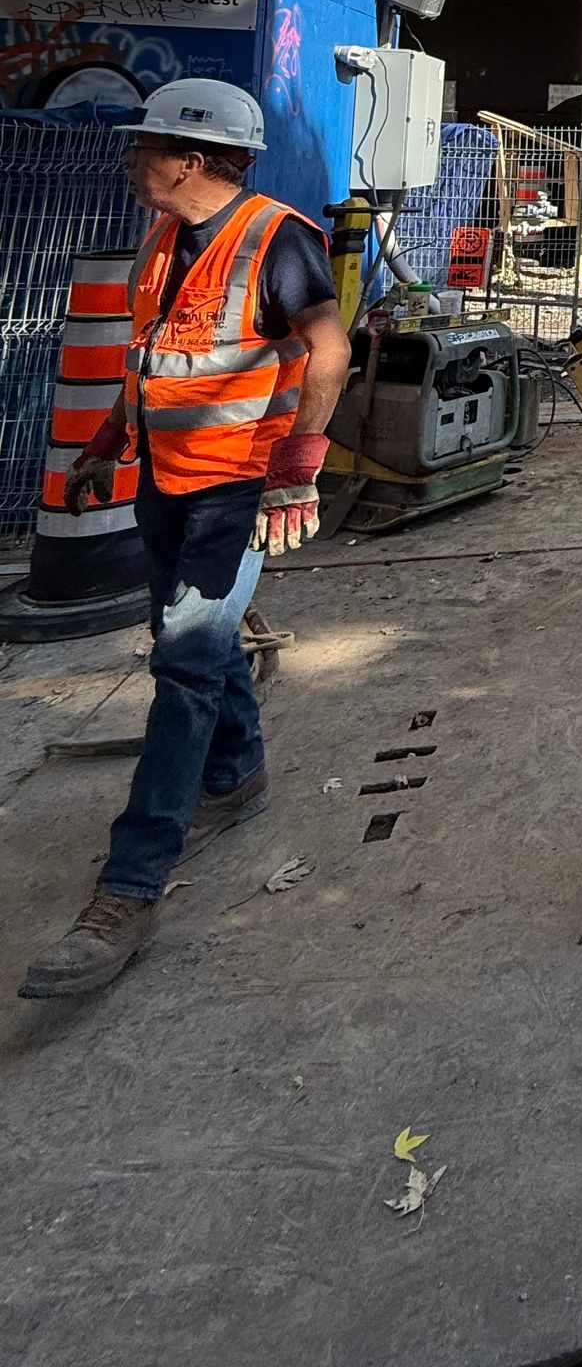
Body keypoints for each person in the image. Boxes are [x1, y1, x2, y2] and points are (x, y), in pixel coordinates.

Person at [21, 81, 351, 999]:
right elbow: (155, 353)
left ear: (192, 160)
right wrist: (105, 441)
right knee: (196, 651)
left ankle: (128, 885)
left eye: (146, 147)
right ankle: (237, 775)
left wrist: (298, 467)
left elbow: (329, 349)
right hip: (166, 479)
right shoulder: (166, 239)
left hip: (238, 490)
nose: (133, 160)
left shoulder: (276, 237)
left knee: (183, 660)